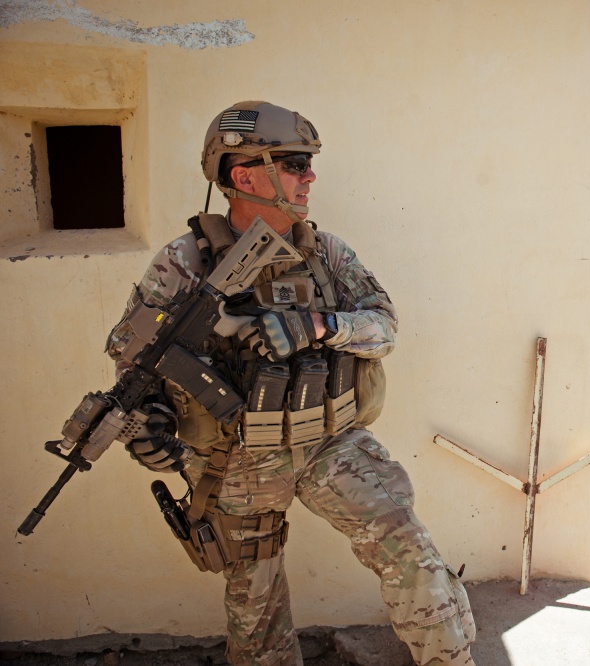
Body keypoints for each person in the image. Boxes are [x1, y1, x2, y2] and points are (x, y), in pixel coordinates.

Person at [105, 101, 476, 666]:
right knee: (256, 616)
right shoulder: (182, 263)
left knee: (409, 549)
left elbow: (384, 330)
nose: (311, 176)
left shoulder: (325, 252)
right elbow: (133, 358)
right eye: (296, 162)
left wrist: (320, 326)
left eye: (308, 164)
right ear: (244, 175)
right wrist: (147, 426)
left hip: (330, 442)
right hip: (234, 456)